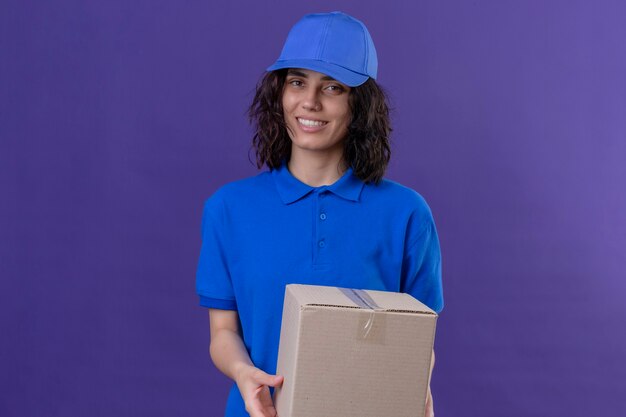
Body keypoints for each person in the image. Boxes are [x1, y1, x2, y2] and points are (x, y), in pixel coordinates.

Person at [196, 11, 443, 417]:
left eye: (333, 87)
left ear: (359, 104)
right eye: (297, 82)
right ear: (279, 92)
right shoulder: (229, 209)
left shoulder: (406, 214)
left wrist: (416, 391)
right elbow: (223, 333)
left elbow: (418, 340)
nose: (310, 101)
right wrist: (244, 373)